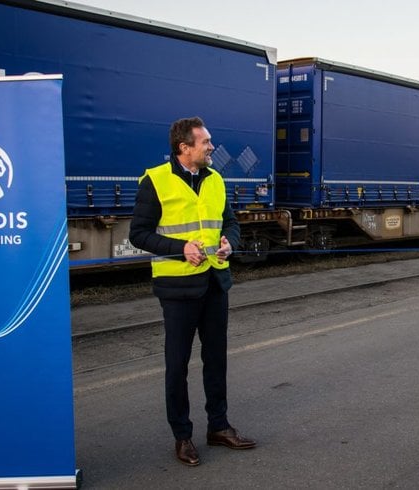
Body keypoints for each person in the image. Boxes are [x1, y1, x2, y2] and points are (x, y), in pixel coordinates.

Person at [130, 117, 256, 467]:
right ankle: (182, 436)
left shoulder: (216, 179)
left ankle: (219, 427)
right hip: (177, 287)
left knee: (216, 360)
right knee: (177, 365)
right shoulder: (155, 180)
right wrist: (180, 247)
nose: (211, 146)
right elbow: (138, 234)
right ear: (184, 148)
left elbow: (230, 221)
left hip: (216, 281)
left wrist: (232, 241)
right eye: (205, 142)